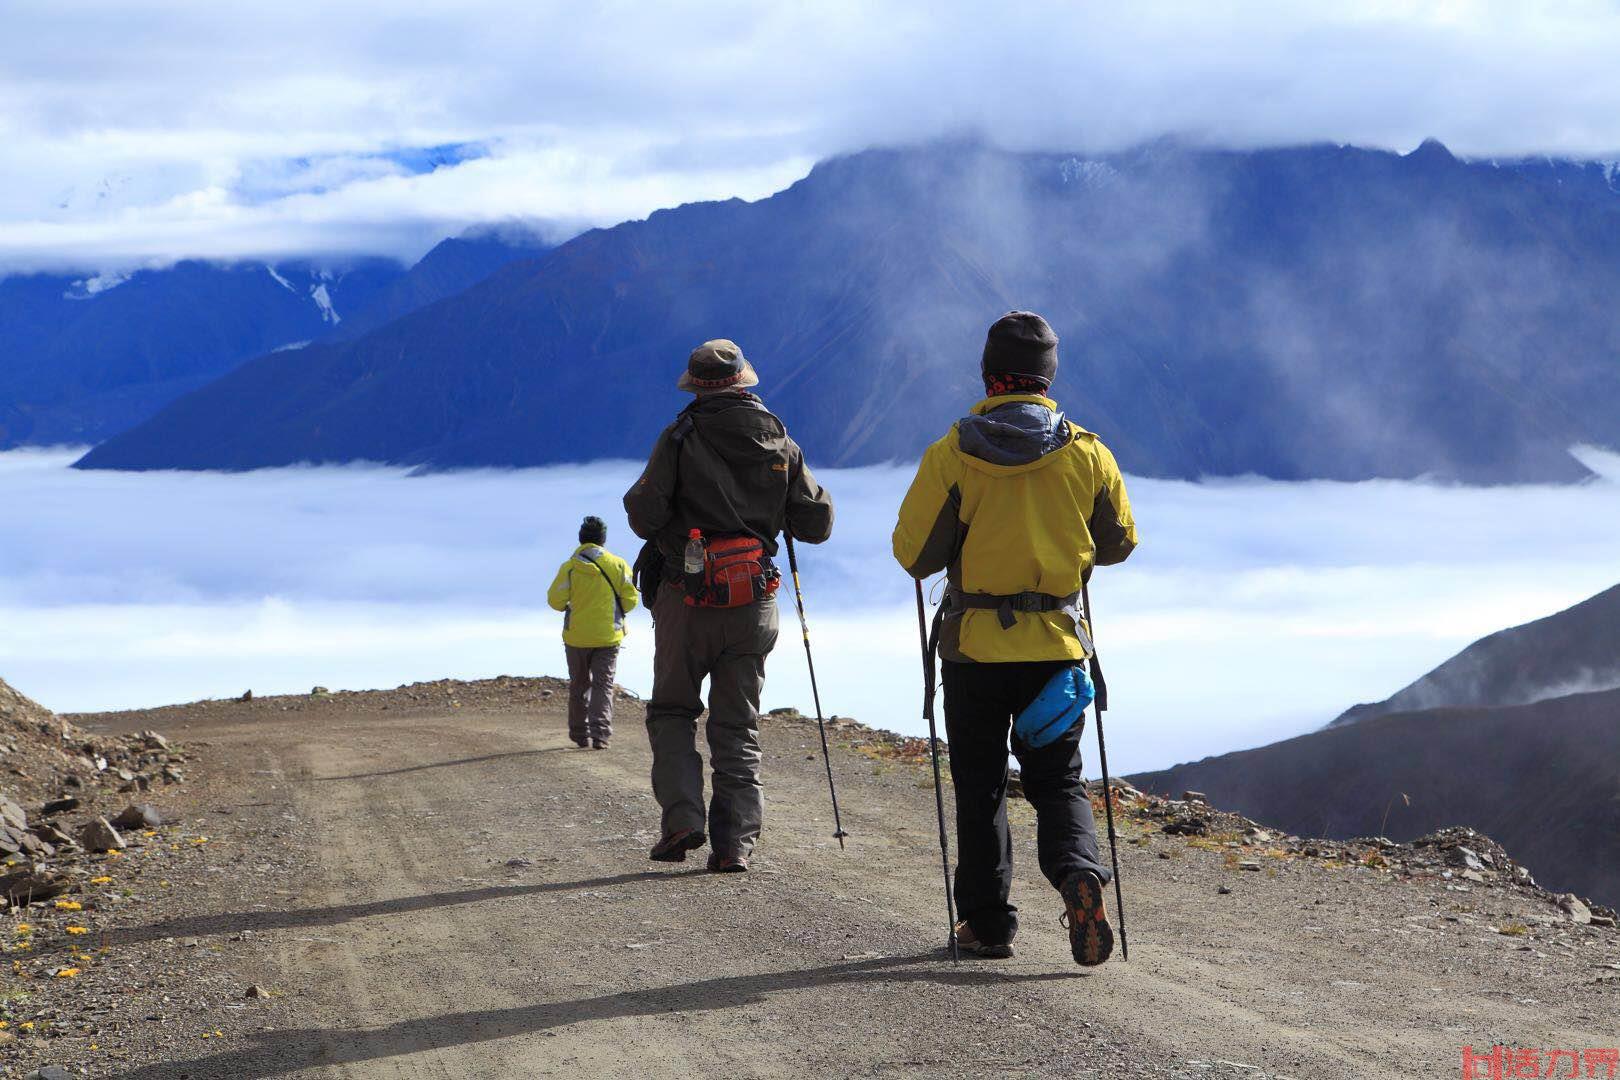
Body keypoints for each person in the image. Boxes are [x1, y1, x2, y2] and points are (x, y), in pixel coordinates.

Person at [892, 311, 1138, 966]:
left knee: (979, 785)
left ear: (989, 375)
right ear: (1046, 377)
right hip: (1055, 646)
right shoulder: (1088, 452)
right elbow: (1119, 542)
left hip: (973, 651)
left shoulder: (954, 454)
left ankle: (987, 923)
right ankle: (1079, 871)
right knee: (1058, 779)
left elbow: (914, 554)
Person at [624, 339, 834, 873]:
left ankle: (683, 819)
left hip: (687, 597)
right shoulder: (779, 439)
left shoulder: (678, 438)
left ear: (696, 385)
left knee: (673, 709)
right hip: (753, 601)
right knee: (737, 723)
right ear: (744, 381)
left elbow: (644, 516)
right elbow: (816, 524)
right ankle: (734, 842)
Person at [547, 515, 640, 750]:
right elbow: (630, 600)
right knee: (603, 685)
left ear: (581, 540)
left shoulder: (569, 568)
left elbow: (555, 601)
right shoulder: (618, 565)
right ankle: (601, 735)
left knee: (579, 684)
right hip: (609, 637)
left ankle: (579, 734)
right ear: (603, 540)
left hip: (576, 638)